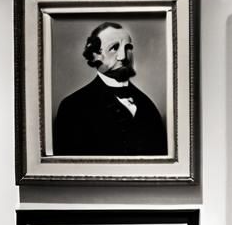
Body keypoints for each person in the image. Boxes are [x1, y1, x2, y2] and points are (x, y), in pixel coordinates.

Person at [52, 21, 167, 156]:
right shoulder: (72, 107)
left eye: (128, 47)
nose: (123, 57)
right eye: (114, 48)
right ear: (95, 56)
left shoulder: (149, 107)